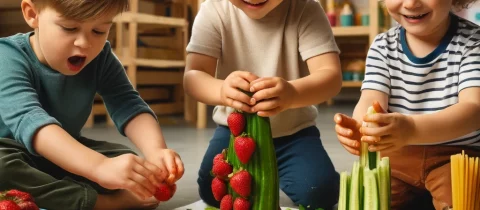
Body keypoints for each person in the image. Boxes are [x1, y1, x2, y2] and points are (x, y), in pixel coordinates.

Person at [0, 0, 184, 209]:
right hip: (11, 153)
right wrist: (100, 167)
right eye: (70, 28)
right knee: (2, 168)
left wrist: (156, 151)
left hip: (63, 153)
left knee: (129, 162)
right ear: (33, 14)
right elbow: (31, 122)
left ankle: (64, 193)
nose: (84, 43)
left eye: (99, 30)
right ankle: (102, 203)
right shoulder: (7, 57)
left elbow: (128, 103)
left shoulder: (100, 57)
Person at [183, 0, 343, 209]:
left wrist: (293, 94)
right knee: (211, 190)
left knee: (321, 192)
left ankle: (277, 175)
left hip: (294, 135)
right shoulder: (213, 9)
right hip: (234, 134)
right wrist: (221, 90)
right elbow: (193, 77)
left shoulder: (306, 8)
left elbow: (331, 77)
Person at [334, 0, 480, 209]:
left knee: (462, 202)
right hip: (397, 158)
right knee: (370, 201)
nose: (411, 3)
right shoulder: (383, 45)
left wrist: (412, 129)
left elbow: (474, 110)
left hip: (454, 157)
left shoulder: (473, 41)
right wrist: (362, 127)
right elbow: (371, 100)